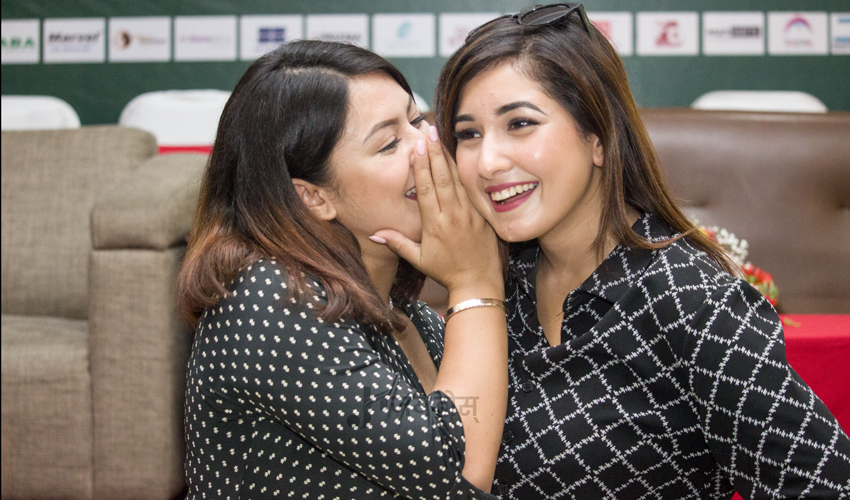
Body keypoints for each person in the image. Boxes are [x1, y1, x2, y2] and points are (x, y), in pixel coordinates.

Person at [432, 4, 850, 498]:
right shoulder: (492, 285)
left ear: (598, 137)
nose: (487, 162)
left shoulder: (691, 300)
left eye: (520, 123)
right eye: (468, 134)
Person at [177, 40, 508, 499]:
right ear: (313, 197)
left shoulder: (402, 312)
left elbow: (478, 421)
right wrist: (475, 283)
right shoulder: (270, 298)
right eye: (390, 143)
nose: (428, 145)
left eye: (416, 120)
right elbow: (459, 476)